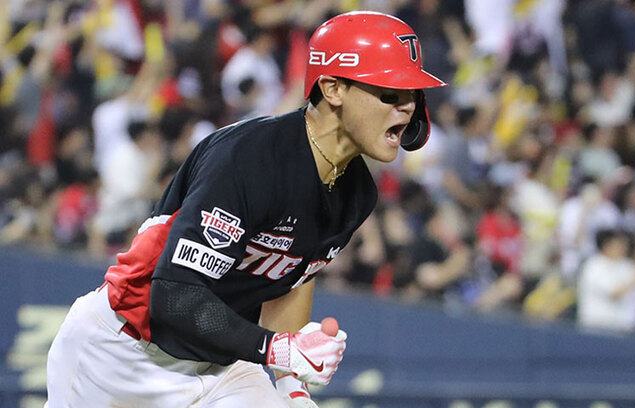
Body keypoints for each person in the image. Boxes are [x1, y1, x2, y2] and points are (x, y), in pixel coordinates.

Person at [45, 11, 447, 408]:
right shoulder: (249, 158)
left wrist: (291, 383)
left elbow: (292, 278)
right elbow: (175, 297)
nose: (408, 108)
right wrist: (278, 349)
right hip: (123, 348)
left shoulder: (357, 192)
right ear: (333, 89)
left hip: (222, 364)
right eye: (391, 93)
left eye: (413, 94)